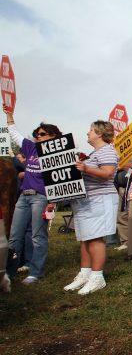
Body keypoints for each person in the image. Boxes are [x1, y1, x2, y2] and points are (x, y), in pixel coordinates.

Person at [3, 106, 60, 285]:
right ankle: (8, 273)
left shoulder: (58, 154)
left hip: (41, 197)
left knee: (37, 236)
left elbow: (60, 181)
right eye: (37, 134)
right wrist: (10, 115)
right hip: (24, 196)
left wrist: (52, 202)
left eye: (42, 134)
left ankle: (36, 272)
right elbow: (14, 134)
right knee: (14, 235)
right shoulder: (31, 147)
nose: (38, 136)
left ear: (53, 137)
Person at [65, 121, 118, 295]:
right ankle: (85, 273)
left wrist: (86, 168)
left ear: (100, 134)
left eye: (91, 130)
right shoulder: (94, 153)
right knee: (86, 239)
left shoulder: (107, 151)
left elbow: (108, 173)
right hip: (87, 201)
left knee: (95, 238)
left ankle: (97, 277)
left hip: (100, 199)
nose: (87, 133)